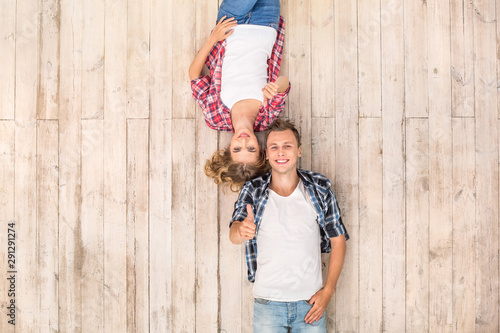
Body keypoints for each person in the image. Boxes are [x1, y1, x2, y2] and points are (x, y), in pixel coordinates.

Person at [229, 119, 348, 332]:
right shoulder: (253, 190)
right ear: (266, 154)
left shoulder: (319, 188)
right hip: (267, 304)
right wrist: (241, 230)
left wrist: (328, 292)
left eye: (287, 146)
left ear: (299, 150)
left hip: (310, 304)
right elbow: (234, 233)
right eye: (274, 147)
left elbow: (338, 240)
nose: (281, 152)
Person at [189, 0, 290, 192]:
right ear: (261, 150)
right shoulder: (267, 117)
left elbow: (194, 76)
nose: (244, 141)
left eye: (237, 149)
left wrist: (213, 39)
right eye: (251, 149)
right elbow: (285, 83)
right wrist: (277, 87)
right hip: (267, 25)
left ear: (228, 149)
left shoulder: (215, 116)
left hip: (232, 25)